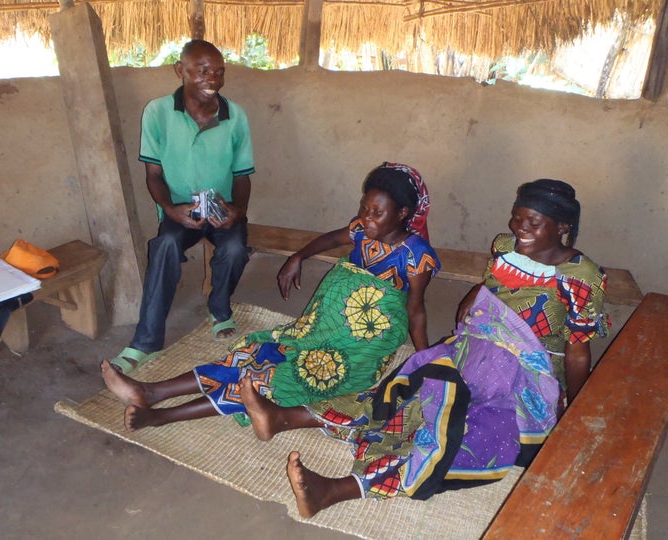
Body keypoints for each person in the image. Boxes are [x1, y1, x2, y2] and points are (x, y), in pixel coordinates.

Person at [237, 178, 610, 518]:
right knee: (402, 392)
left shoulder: (581, 278)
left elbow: (578, 351)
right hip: (477, 348)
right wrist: (473, 294)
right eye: (517, 218)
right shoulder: (505, 246)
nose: (520, 229)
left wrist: (575, 408)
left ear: (562, 228)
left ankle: (336, 491)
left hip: (525, 375)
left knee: (458, 434)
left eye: (533, 222)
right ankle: (284, 417)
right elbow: (493, 285)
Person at [101, 162, 441, 431]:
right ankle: (154, 392)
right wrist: (298, 257)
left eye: (376, 213)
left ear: (403, 214)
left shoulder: (415, 256)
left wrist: (424, 359)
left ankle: (161, 417)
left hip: (361, 347)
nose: (366, 218)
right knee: (254, 352)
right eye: (364, 208)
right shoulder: (360, 230)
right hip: (324, 328)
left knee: (273, 378)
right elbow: (330, 239)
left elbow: (414, 310)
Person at [110, 39, 256, 373]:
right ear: (181, 71)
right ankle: (145, 343)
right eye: (202, 70)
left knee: (235, 248)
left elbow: (243, 175)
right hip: (180, 209)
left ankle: (219, 309)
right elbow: (153, 174)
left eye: (219, 72)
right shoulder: (158, 112)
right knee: (164, 246)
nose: (212, 79)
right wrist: (170, 210)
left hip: (221, 207)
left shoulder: (235, 116)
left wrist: (238, 211)